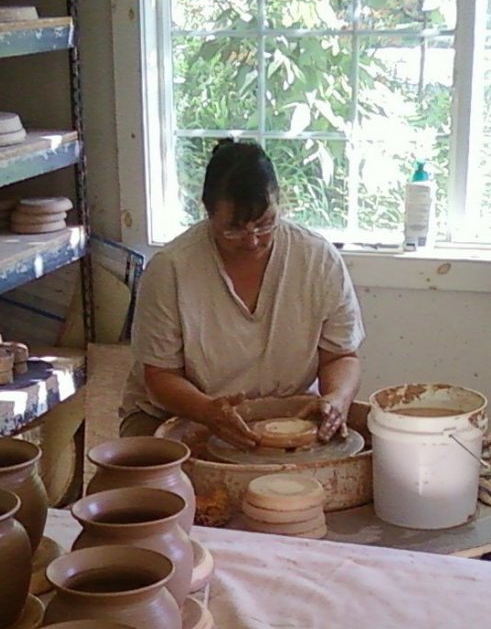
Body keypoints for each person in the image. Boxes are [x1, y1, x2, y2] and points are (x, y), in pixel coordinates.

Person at [119, 139, 365, 449]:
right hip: (178, 412)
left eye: (265, 224)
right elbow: (160, 377)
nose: (252, 241)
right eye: (233, 229)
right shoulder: (171, 269)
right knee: (175, 487)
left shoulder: (318, 259)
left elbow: (341, 356)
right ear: (208, 212)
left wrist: (336, 399)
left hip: (283, 415)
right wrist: (208, 412)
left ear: (280, 202)